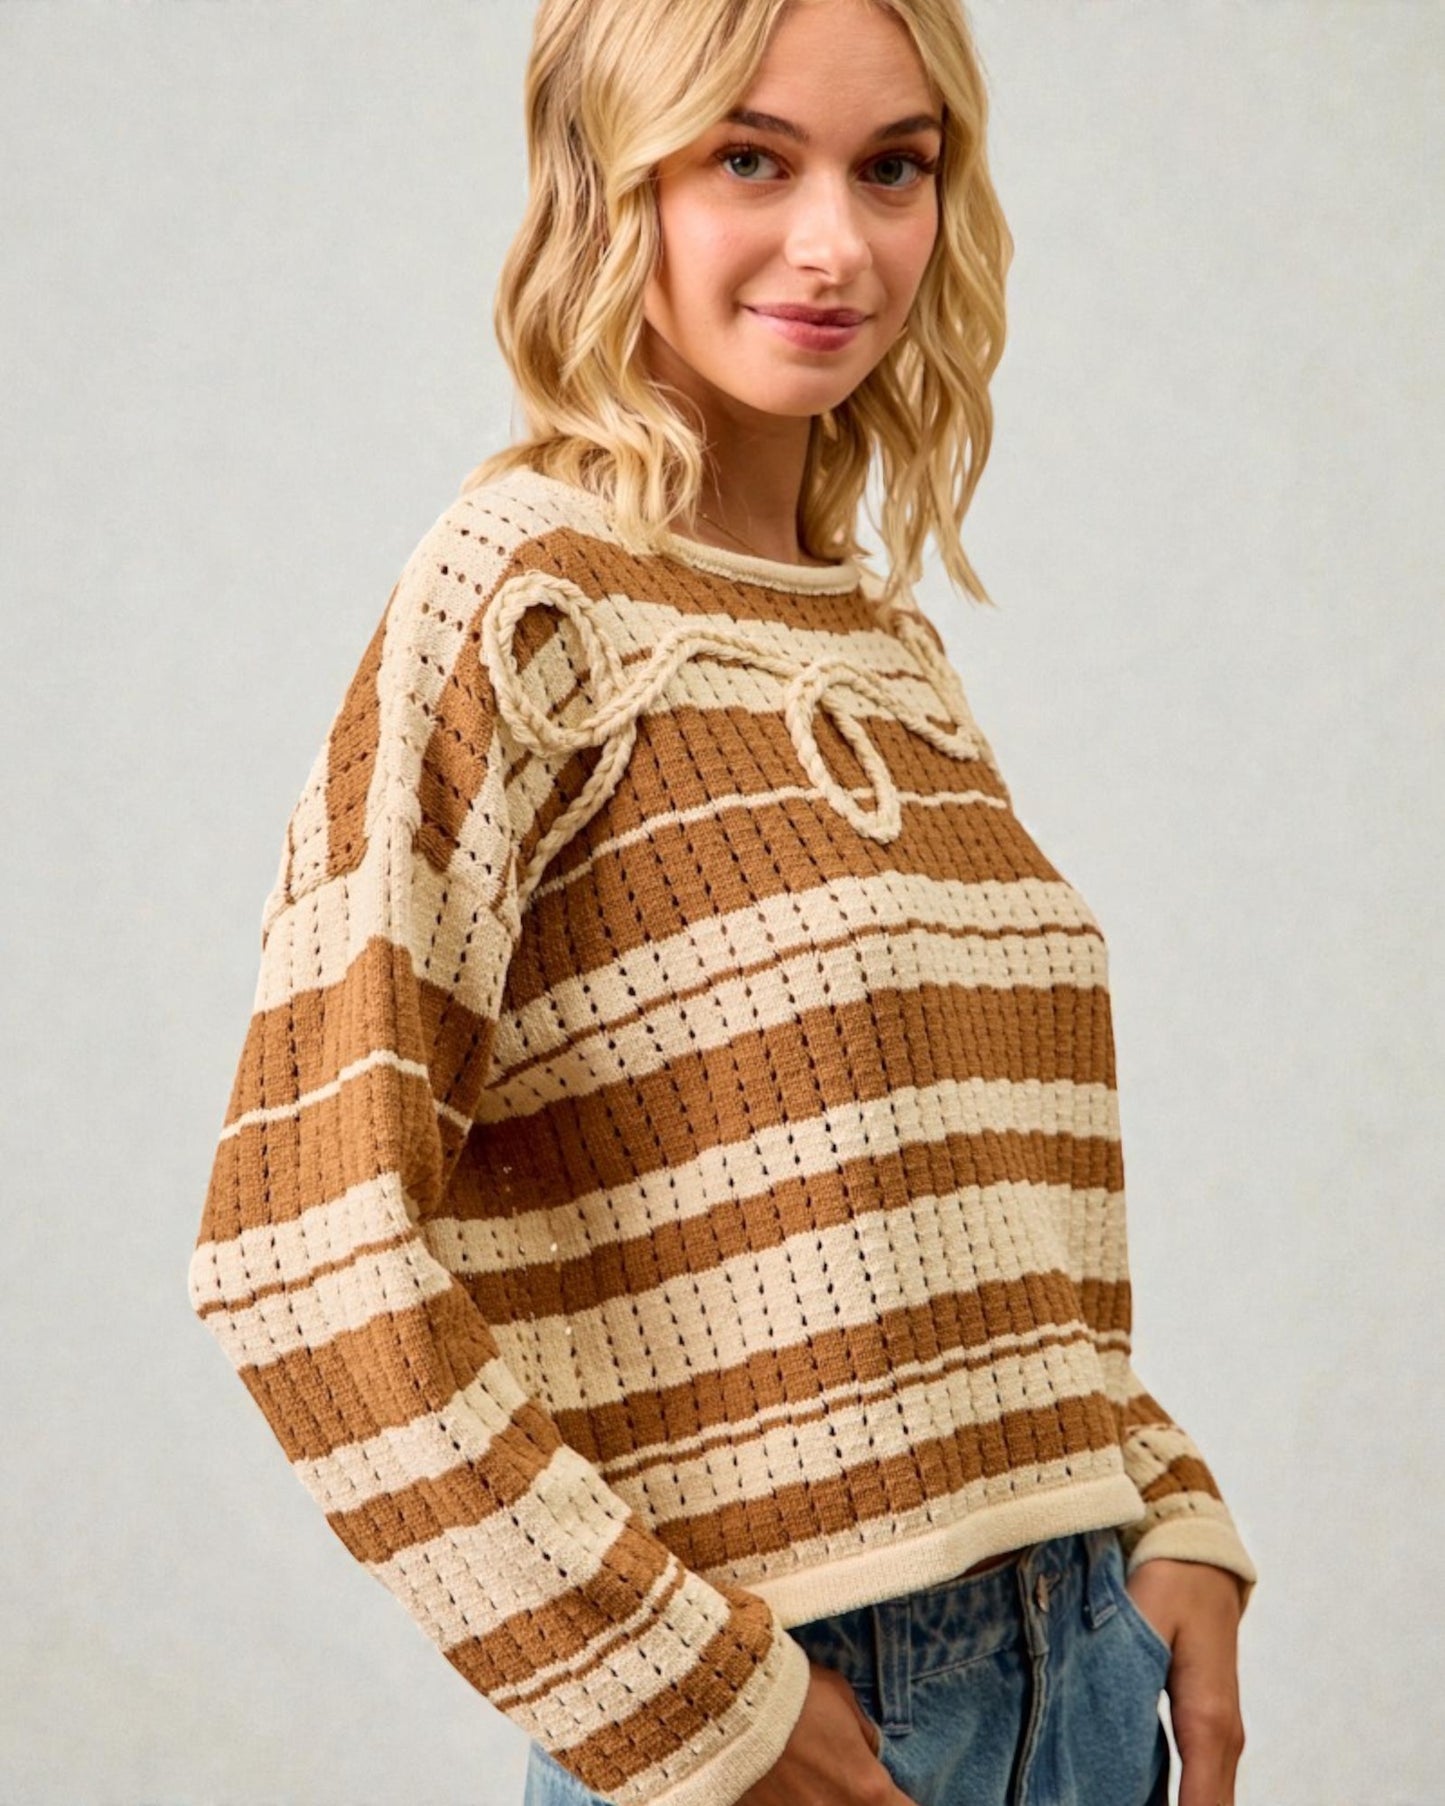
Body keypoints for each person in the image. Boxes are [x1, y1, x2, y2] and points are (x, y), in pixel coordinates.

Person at [186, 1, 1258, 1802]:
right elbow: (299, 1247)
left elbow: (946, 1208)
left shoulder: (885, 645)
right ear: (616, 179)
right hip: (796, 1703)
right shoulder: (521, 603)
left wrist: (1167, 1510)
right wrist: (683, 1697)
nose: (836, 243)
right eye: (749, 157)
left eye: (892, 168)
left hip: (1084, 1679)